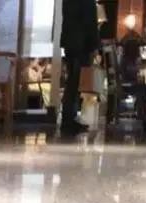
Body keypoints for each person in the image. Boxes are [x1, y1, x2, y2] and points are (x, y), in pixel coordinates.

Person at [60, 0, 99, 135]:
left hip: (71, 43)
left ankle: (68, 118)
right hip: (81, 44)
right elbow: (90, 20)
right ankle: (68, 120)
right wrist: (94, 45)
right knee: (74, 82)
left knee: (72, 82)